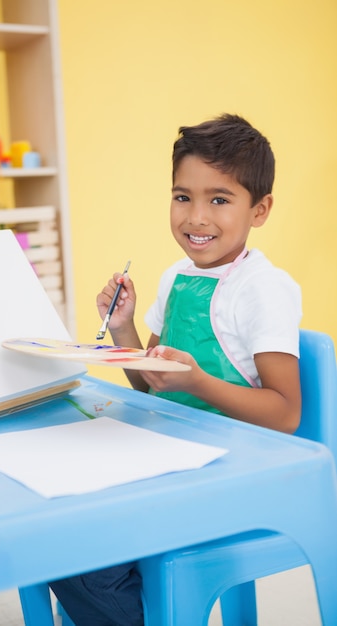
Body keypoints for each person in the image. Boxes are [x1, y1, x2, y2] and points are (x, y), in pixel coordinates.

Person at [49, 113, 302, 625]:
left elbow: (285, 415)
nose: (196, 218)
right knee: (57, 523)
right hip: (173, 449)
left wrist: (200, 382)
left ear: (261, 209)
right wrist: (122, 330)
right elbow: (152, 382)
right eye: (182, 196)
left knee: (84, 560)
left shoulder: (263, 289)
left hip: (233, 467)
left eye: (220, 199)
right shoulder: (174, 278)